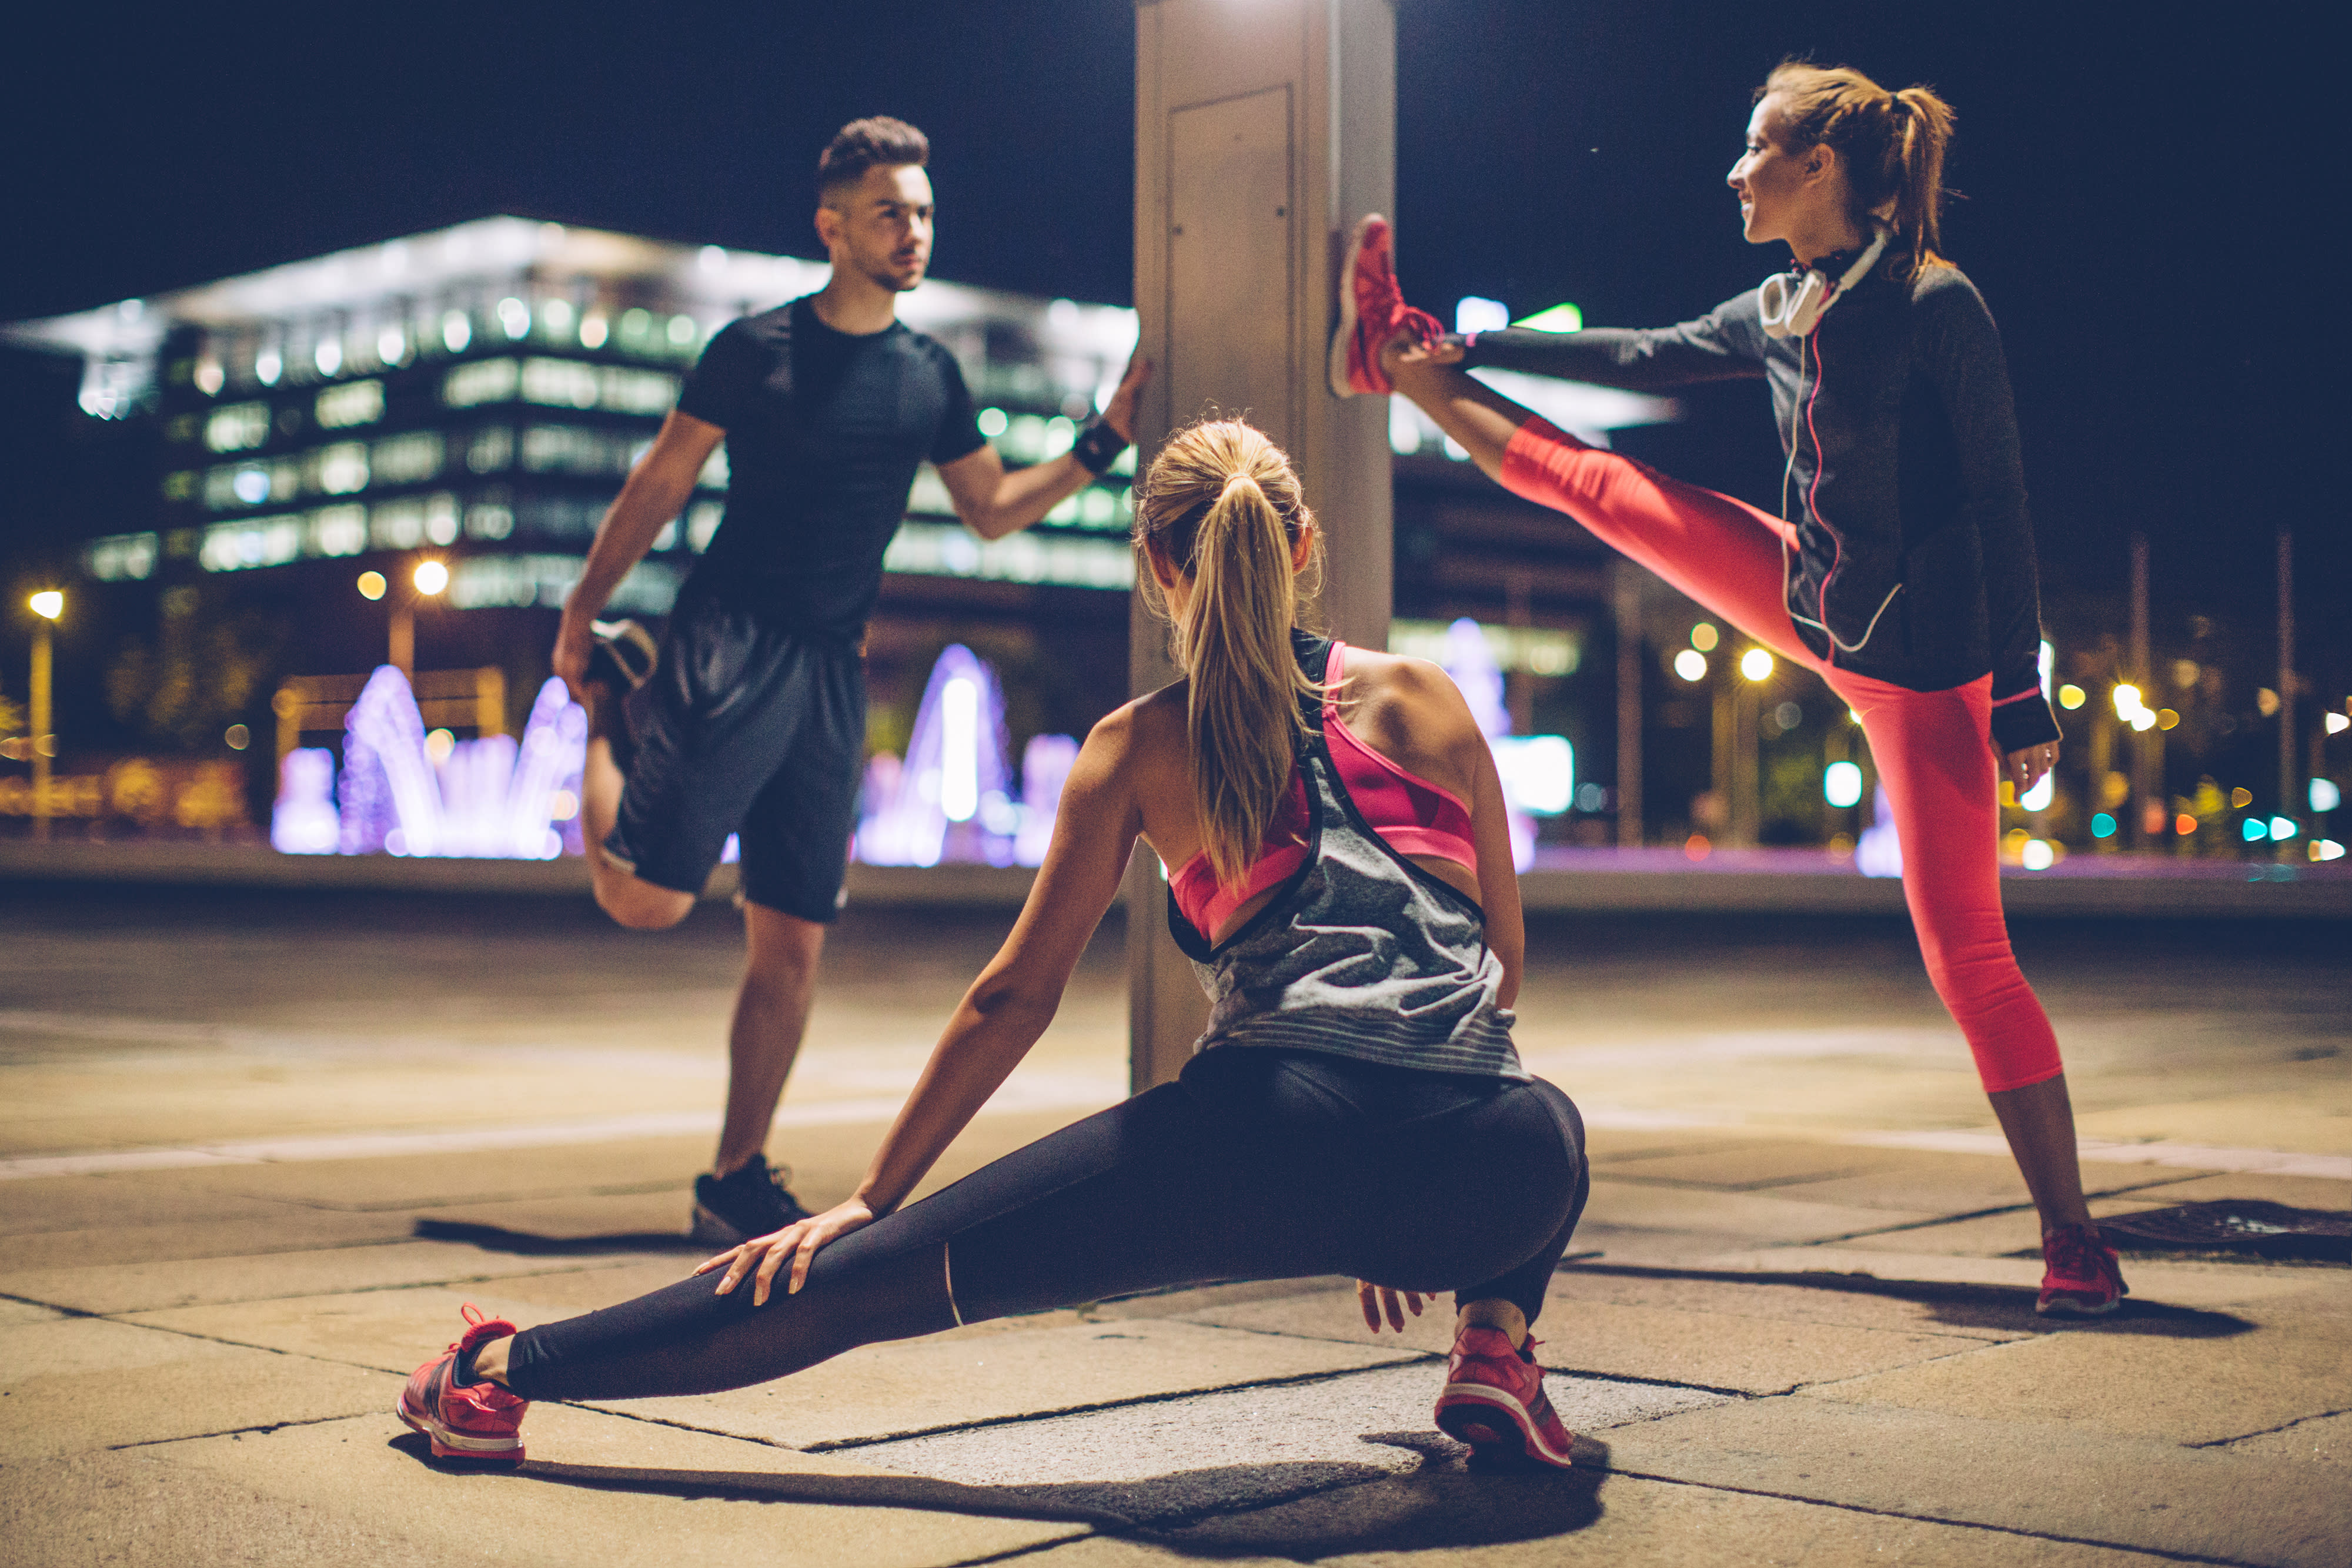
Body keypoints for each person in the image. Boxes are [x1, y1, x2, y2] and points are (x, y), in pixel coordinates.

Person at [400, 420, 1592, 1472]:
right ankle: (1496, 1343)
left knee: (854, 1288)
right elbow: (1497, 964)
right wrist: (1400, 1209)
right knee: (1547, 1110)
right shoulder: (1430, 699)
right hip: (1497, 1159)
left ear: (1157, 573)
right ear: (1304, 544)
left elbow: (1014, 995)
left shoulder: (1138, 747)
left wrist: (874, 1195)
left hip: (1258, 1135)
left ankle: (497, 1374)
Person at [1332, 62, 2126, 1316]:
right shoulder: (1778, 302)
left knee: (1967, 954)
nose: (1732, 171)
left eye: (1755, 149)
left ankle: (2072, 1237)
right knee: (1595, 486)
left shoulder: (1935, 305)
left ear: (1817, 167)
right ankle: (1396, 360)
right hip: (1804, 595)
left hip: (1923, 678)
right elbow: (1637, 350)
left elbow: (1999, 500)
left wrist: (2020, 697)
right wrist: (1469, 342)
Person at [550, 116, 1150, 1246]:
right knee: (647, 901)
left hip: (830, 668)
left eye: (923, 211)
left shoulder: (930, 375)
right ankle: (602, 715)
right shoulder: (755, 349)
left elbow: (990, 511)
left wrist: (1105, 436)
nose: (914, 231)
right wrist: (585, 613)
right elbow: (661, 481)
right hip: (727, 639)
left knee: (792, 942)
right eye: (891, 212)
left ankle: (734, 1174)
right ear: (833, 227)